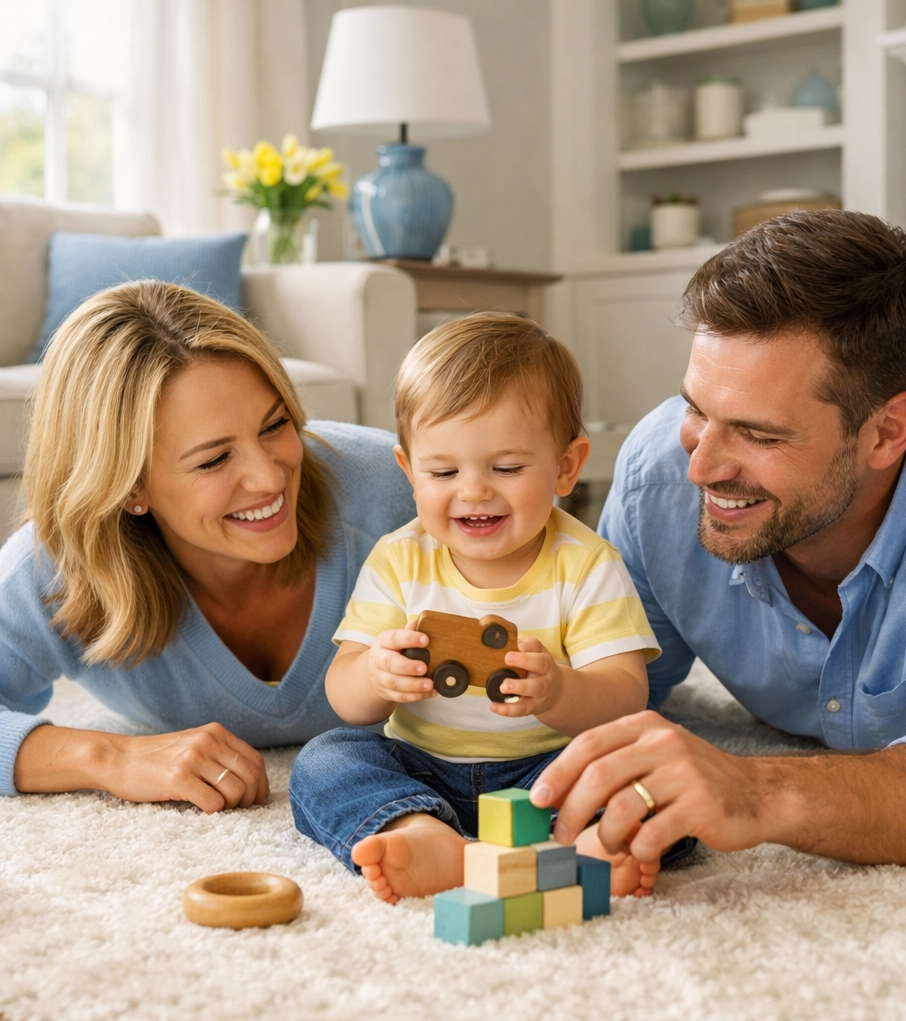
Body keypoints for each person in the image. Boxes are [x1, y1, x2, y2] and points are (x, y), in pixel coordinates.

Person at [529, 209, 906, 869]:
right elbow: (604, 684)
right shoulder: (659, 475)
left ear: (887, 431)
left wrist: (754, 790)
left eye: (759, 435)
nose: (701, 467)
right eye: (697, 410)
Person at [1, 280, 415, 811]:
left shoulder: (396, 493)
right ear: (129, 487)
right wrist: (112, 759)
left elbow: (556, 575)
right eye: (214, 460)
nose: (269, 478)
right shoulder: (55, 566)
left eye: (275, 425)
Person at [289, 314, 659, 903]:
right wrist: (376, 673)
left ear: (566, 466)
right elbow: (344, 694)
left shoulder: (587, 564)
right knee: (325, 760)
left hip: (546, 768)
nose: (474, 490)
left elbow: (625, 694)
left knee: (652, 771)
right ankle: (425, 834)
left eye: (507, 468)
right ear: (410, 472)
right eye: (443, 471)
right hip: (420, 763)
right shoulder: (399, 559)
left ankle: (572, 847)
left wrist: (559, 692)